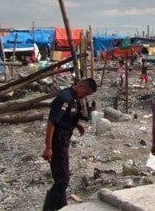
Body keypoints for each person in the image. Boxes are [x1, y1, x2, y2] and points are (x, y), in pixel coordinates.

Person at [42, 78, 97, 210]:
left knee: (62, 177)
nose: (85, 96)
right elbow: (52, 122)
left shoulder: (72, 97)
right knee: (62, 179)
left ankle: (61, 207)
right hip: (58, 141)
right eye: (86, 92)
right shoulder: (65, 98)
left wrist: (77, 125)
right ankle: (49, 208)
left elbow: (66, 116)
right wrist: (48, 147)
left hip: (64, 139)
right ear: (80, 85)